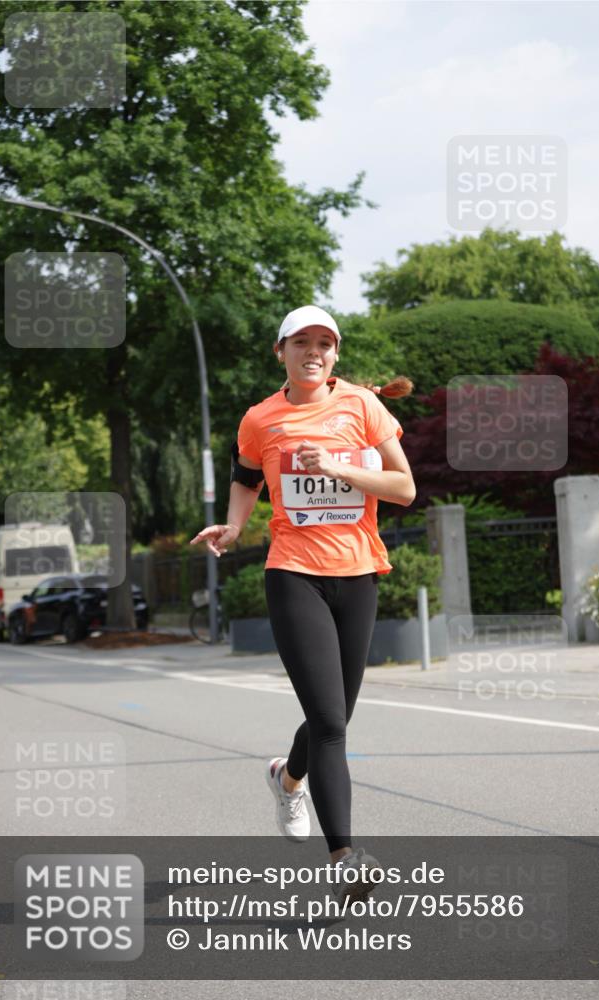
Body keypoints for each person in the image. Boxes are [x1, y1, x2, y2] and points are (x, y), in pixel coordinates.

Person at [190, 304, 415, 907]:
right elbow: (245, 477)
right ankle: (345, 857)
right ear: (281, 351)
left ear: (335, 354)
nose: (314, 351)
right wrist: (236, 526)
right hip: (294, 573)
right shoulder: (260, 419)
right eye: (302, 342)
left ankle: (286, 779)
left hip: (360, 572)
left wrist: (340, 466)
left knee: (332, 714)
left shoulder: (364, 408)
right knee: (332, 725)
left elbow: (404, 488)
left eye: (325, 343)